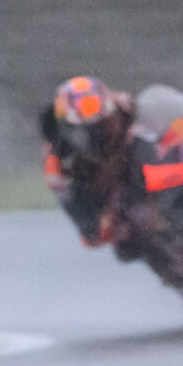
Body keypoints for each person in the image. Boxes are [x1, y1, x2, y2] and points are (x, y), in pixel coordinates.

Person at [38, 76, 138, 250]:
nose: (97, 135)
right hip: (104, 195)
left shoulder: (124, 105)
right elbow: (71, 200)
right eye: (89, 130)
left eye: (102, 126)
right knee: (98, 234)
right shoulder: (58, 161)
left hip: (136, 166)